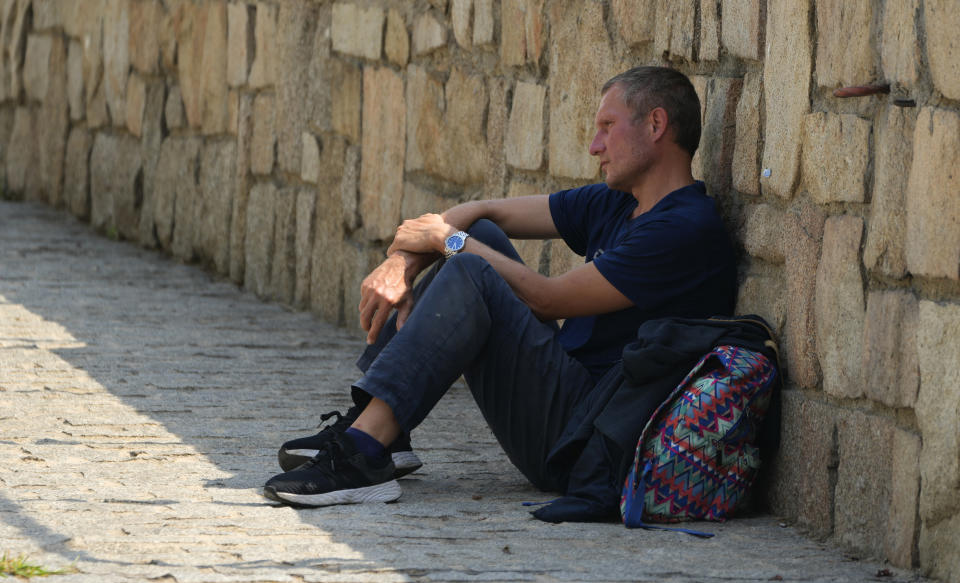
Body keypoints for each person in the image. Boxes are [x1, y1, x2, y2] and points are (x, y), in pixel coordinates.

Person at [263, 65, 737, 508]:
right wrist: (402, 263)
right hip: (571, 401)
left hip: (587, 439)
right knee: (481, 240)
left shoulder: (683, 230)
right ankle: (384, 429)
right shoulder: (619, 203)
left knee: (472, 267)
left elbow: (548, 298)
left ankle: (363, 452)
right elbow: (483, 211)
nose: (595, 146)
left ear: (656, 125)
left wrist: (447, 241)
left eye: (607, 127)